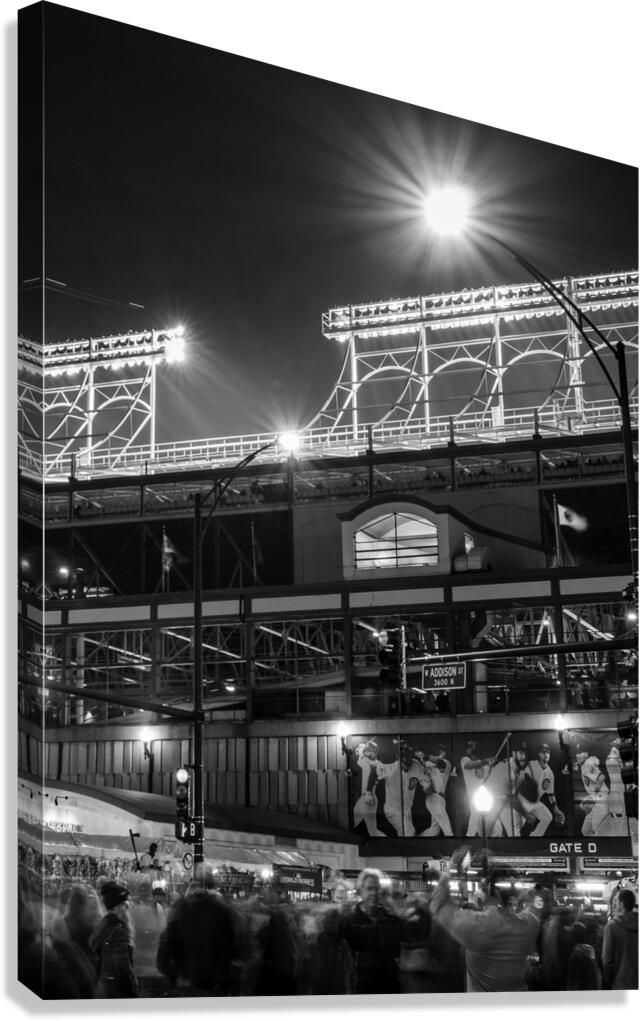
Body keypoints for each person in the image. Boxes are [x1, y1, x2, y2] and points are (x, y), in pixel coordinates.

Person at [430, 869, 540, 992]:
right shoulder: (531, 924)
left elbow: (439, 907)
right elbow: (533, 910)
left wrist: (446, 876)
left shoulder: (477, 924)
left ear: (492, 892)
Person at [156, 884, 237, 995]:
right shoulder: (223, 910)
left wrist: (172, 975)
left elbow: (168, 944)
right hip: (214, 981)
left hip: (186, 979)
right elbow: (230, 947)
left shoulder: (180, 909)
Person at [338, 868, 402, 993]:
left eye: (377, 889)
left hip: (390, 987)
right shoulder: (350, 921)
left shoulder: (391, 920)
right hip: (362, 988)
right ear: (361, 891)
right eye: (369, 889)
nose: (374, 893)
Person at [89, 880, 139, 998]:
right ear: (118, 907)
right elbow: (123, 967)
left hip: (105, 988)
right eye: (126, 904)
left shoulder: (103, 926)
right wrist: (134, 991)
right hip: (117, 991)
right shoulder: (118, 931)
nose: (129, 908)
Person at [519, 743, 565, 836]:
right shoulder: (530, 765)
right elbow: (520, 782)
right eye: (543, 752)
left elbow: (551, 794)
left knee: (547, 817)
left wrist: (556, 809)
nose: (546, 754)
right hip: (523, 801)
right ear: (538, 754)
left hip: (535, 802)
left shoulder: (550, 773)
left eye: (548, 752)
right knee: (516, 826)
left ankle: (535, 837)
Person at [486, 743, 529, 837]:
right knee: (492, 833)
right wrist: (526, 814)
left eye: (526, 754)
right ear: (513, 753)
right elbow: (512, 798)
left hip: (505, 804)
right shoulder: (505, 769)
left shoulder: (520, 772)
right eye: (521, 753)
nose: (524, 757)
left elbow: (514, 795)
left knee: (516, 829)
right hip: (492, 804)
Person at [601, 888, 638, 989]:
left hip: (621, 983)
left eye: (616, 901)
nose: (613, 905)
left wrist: (608, 981)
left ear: (622, 904)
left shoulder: (612, 926)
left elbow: (607, 960)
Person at [352, 739, 387, 836]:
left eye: (372, 751)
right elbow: (360, 760)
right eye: (369, 751)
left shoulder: (376, 763)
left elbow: (362, 760)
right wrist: (361, 750)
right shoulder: (369, 761)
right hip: (363, 798)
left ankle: (387, 842)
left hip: (370, 797)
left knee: (373, 831)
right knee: (355, 822)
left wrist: (361, 751)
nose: (370, 753)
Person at [575, 743, 611, 836]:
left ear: (586, 754)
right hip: (597, 798)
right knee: (586, 830)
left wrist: (594, 796)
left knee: (598, 830)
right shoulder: (584, 765)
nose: (577, 755)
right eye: (576, 752)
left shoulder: (587, 764)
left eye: (580, 752)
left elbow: (601, 777)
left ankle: (604, 849)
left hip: (601, 798)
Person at [460, 740, 492, 837]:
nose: (469, 749)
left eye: (471, 747)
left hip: (484, 799)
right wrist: (485, 761)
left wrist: (491, 764)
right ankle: (468, 842)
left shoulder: (486, 766)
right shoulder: (464, 760)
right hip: (472, 797)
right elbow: (470, 765)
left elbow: (487, 781)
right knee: (474, 823)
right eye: (468, 747)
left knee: (491, 824)